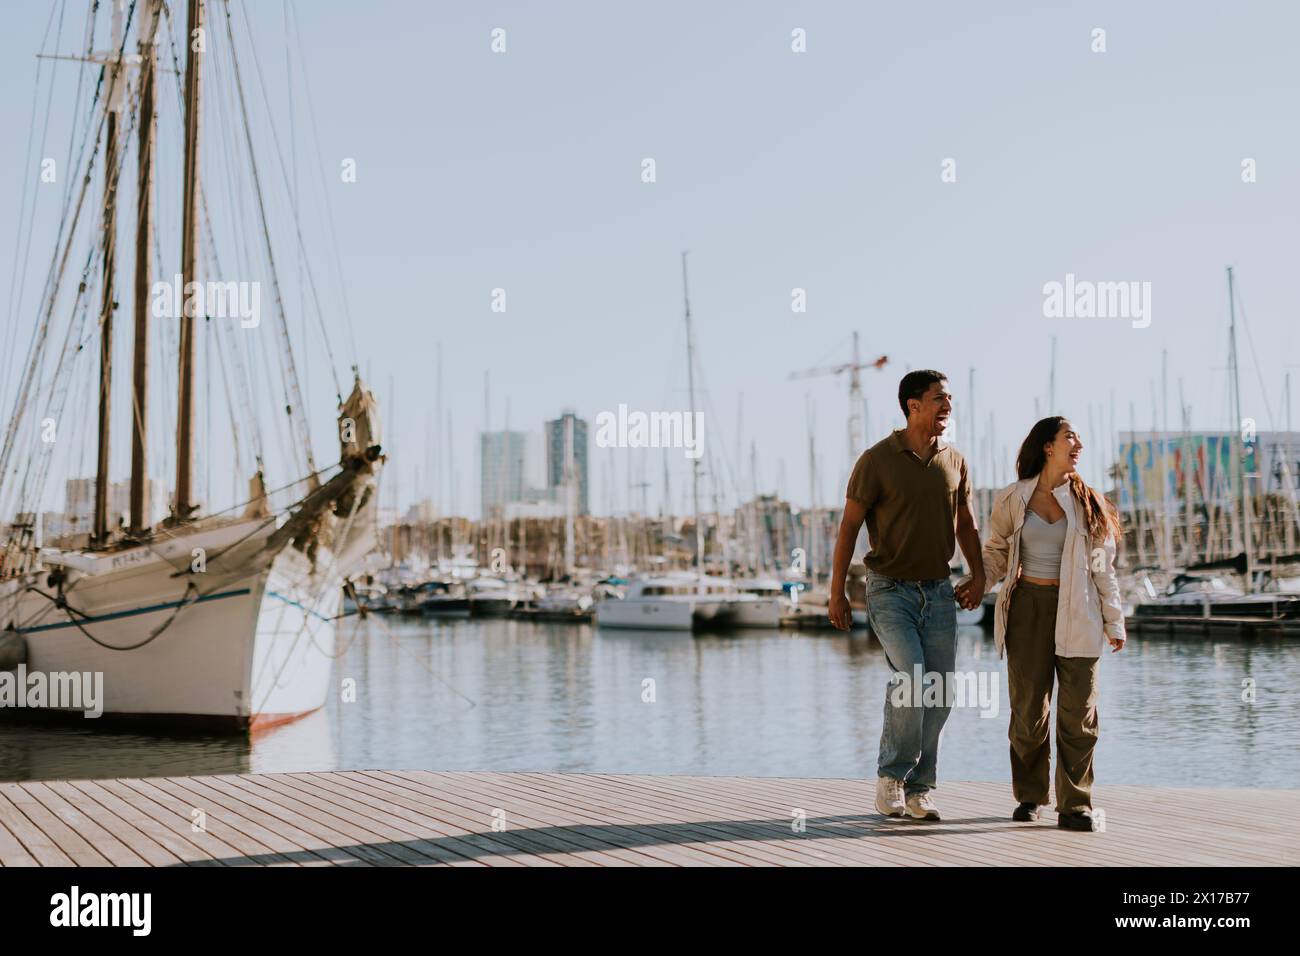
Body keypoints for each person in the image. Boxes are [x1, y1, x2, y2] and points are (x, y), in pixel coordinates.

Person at [829, 370, 984, 822]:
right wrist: (836, 592)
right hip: (889, 590)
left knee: (940, 691)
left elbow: (967, 525)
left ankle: (920, 788)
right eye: (939, 398)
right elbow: (848, 528)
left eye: (950, 398)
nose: (948, 406)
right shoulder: (877, 460)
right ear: (913, 405)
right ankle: (891, 776)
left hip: (938, 591)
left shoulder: (955, 460)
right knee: (913, 678)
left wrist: (978, 576)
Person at [979, 416, 1126, 832]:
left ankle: (1075, 805)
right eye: (1069, 437)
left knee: (1079, 713)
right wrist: (976, 583)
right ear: (1048, 446)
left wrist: (1114, 621)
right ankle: (1030, 795)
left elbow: (1104, 568)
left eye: (1078, 438)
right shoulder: (1013, 499)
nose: (1077, 444)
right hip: (1027, 608)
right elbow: (996, 551)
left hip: (1079, 611)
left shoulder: (1089, 503)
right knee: (1028, 712)